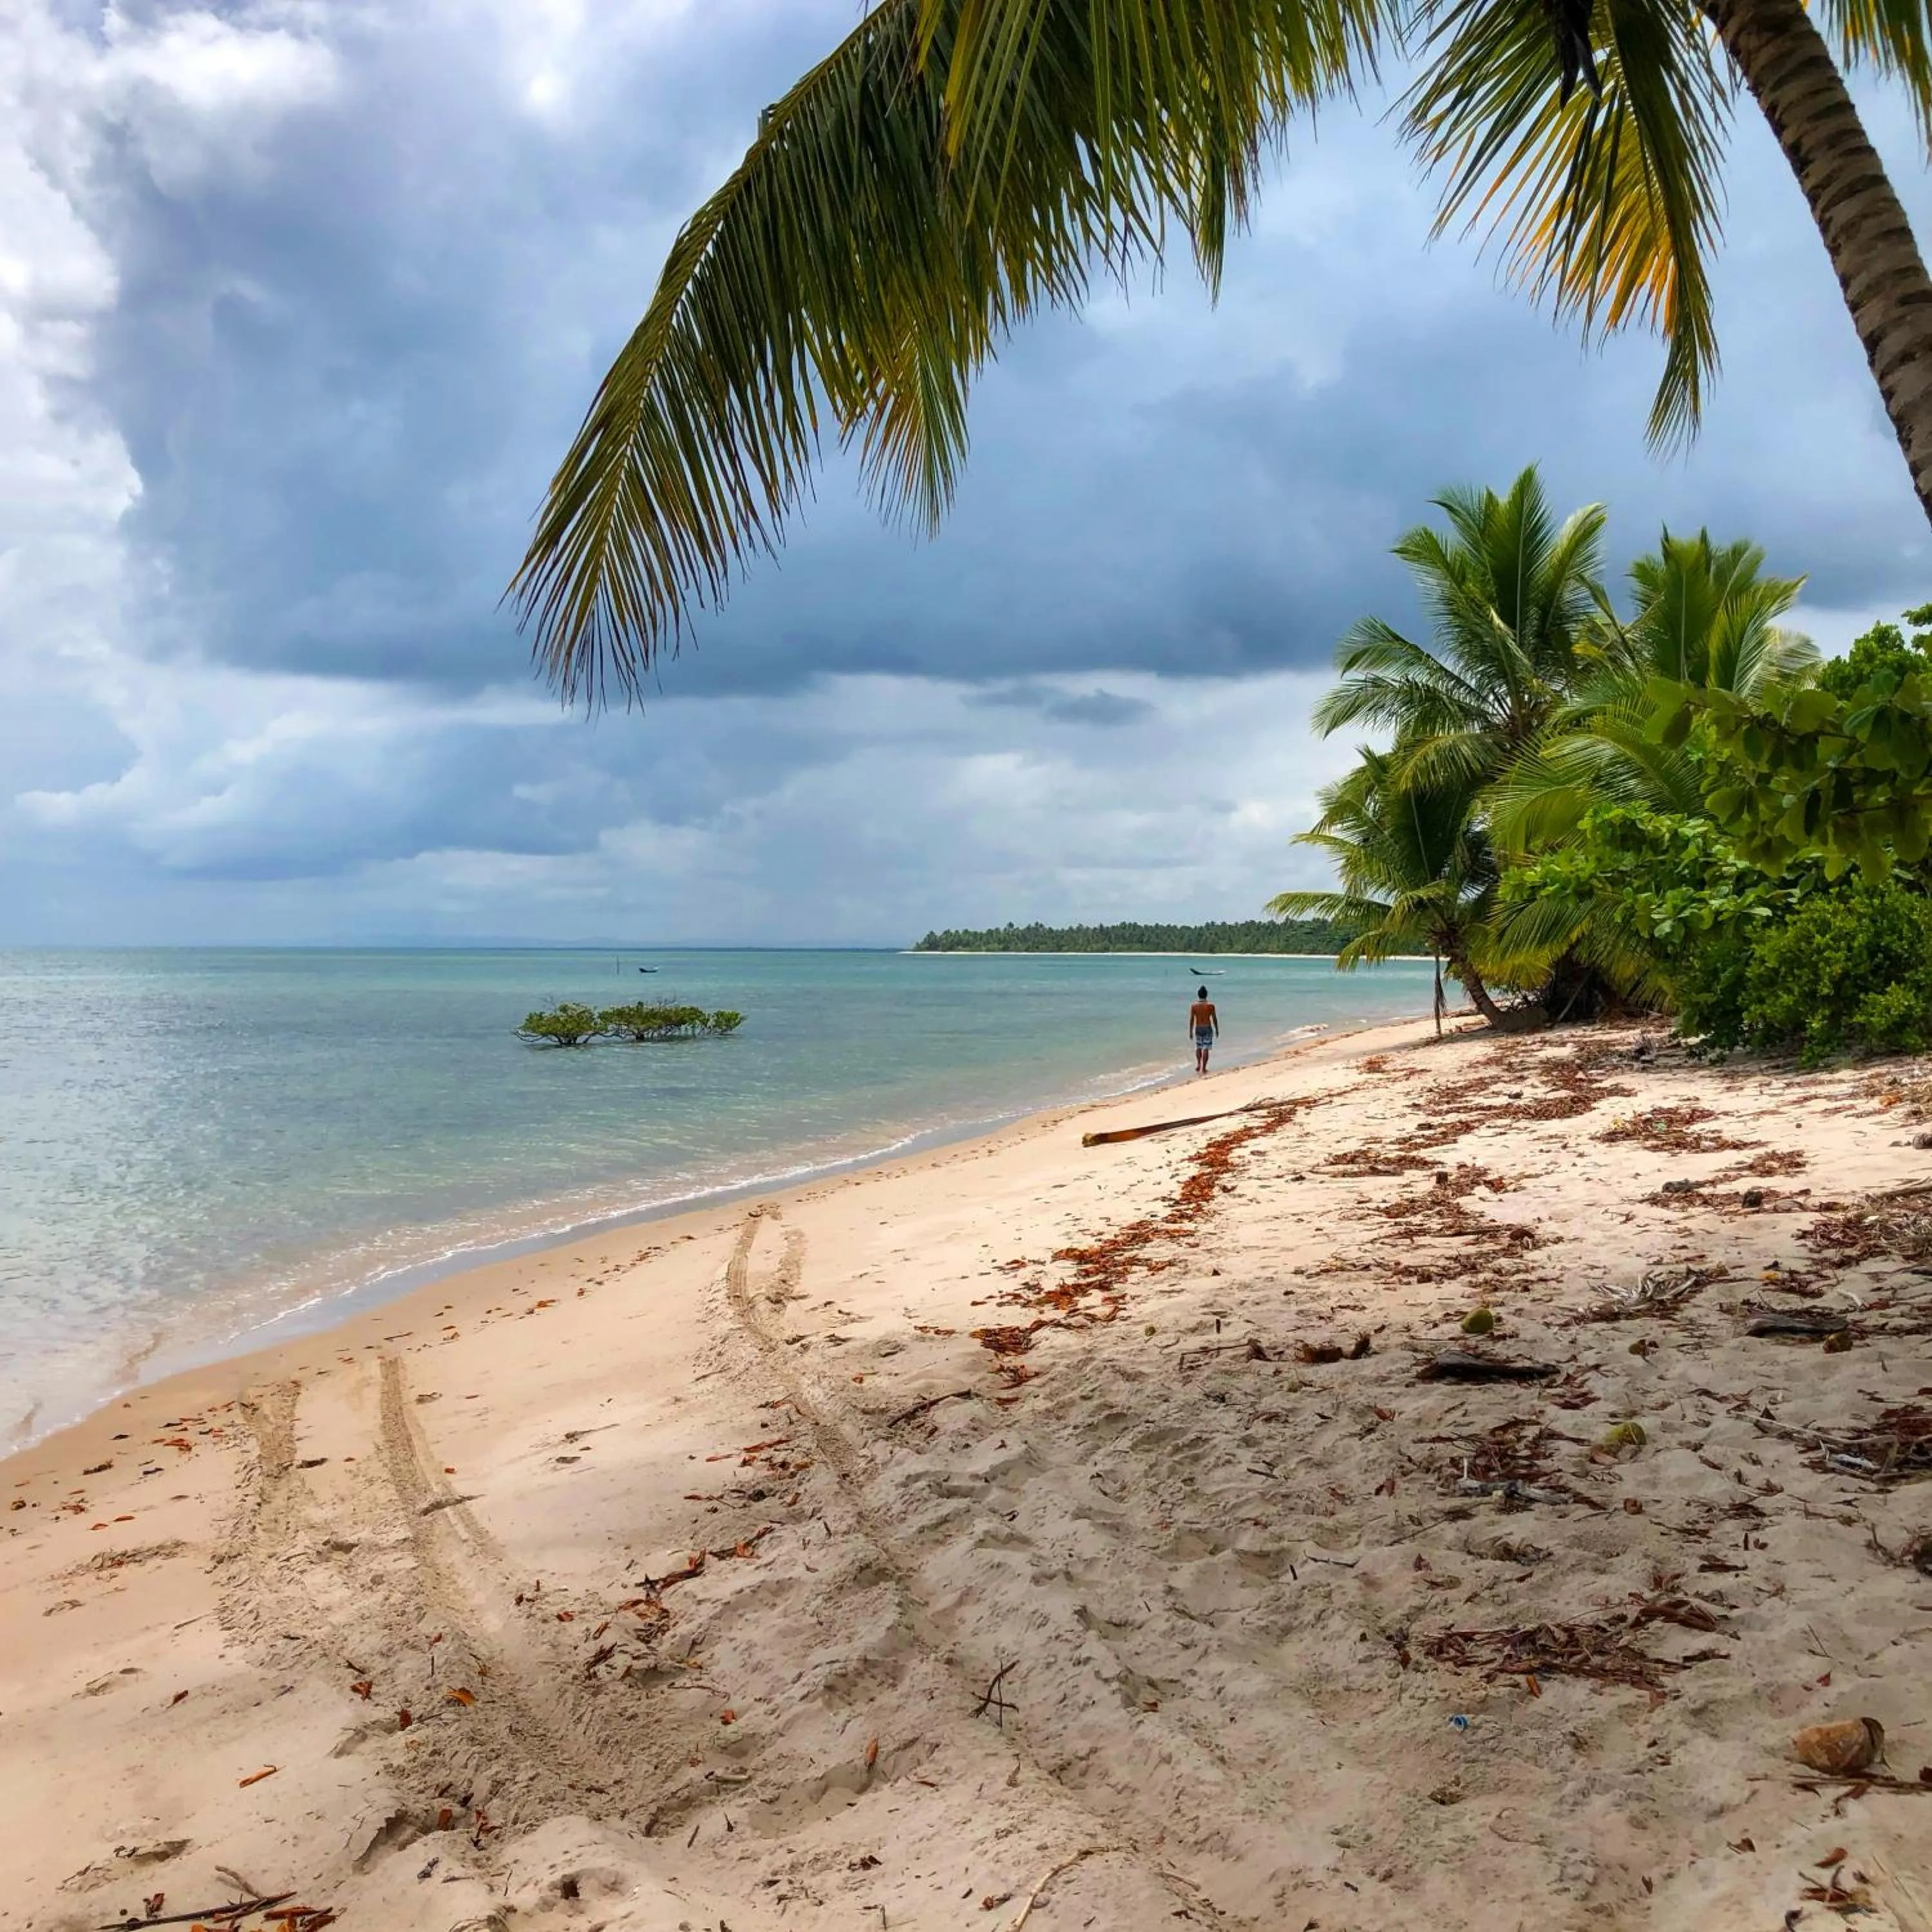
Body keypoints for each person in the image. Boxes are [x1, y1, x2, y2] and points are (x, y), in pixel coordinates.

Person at [1189, 985, 1219, 1075]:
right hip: (1207, 1027)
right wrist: (1217, 1029)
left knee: (1199, 1047)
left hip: (1198, 1027)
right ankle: (1204, 1068)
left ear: (1198, 995)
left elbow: (1192, 1019)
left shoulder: (1194, 1006)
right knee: (1206, 1048)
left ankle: (1198, 1064)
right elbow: (1214, 1018)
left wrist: (1190, 1031)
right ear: (1206, 995)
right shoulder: (1211, 1006)